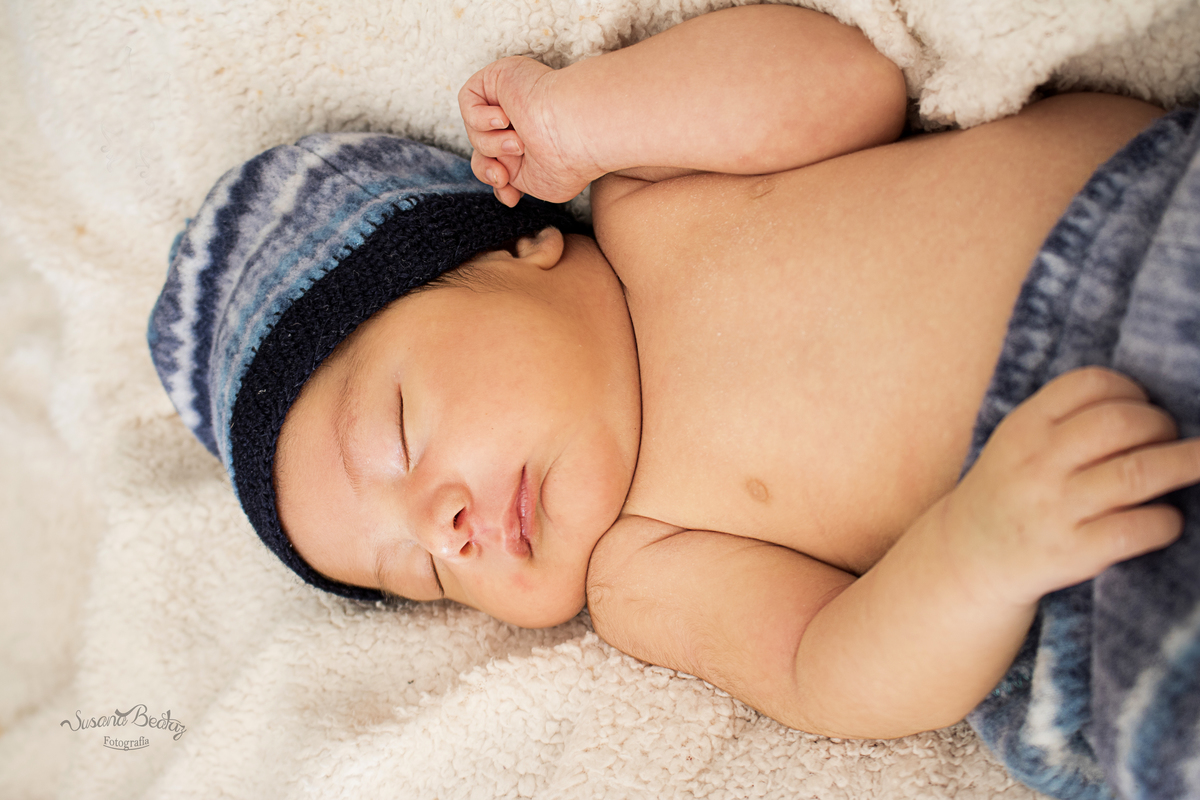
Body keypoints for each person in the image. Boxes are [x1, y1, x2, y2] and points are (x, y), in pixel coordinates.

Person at [149, 5, 1200, 797]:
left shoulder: (653, 197)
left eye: (400, 435)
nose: (448, 528)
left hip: (1160, 213)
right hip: (1098, 542)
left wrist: (578, 115)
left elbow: (851, 83)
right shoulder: (646, 567)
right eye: (421, 573)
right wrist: (980, 551)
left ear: (518, 249)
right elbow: (825, 665)